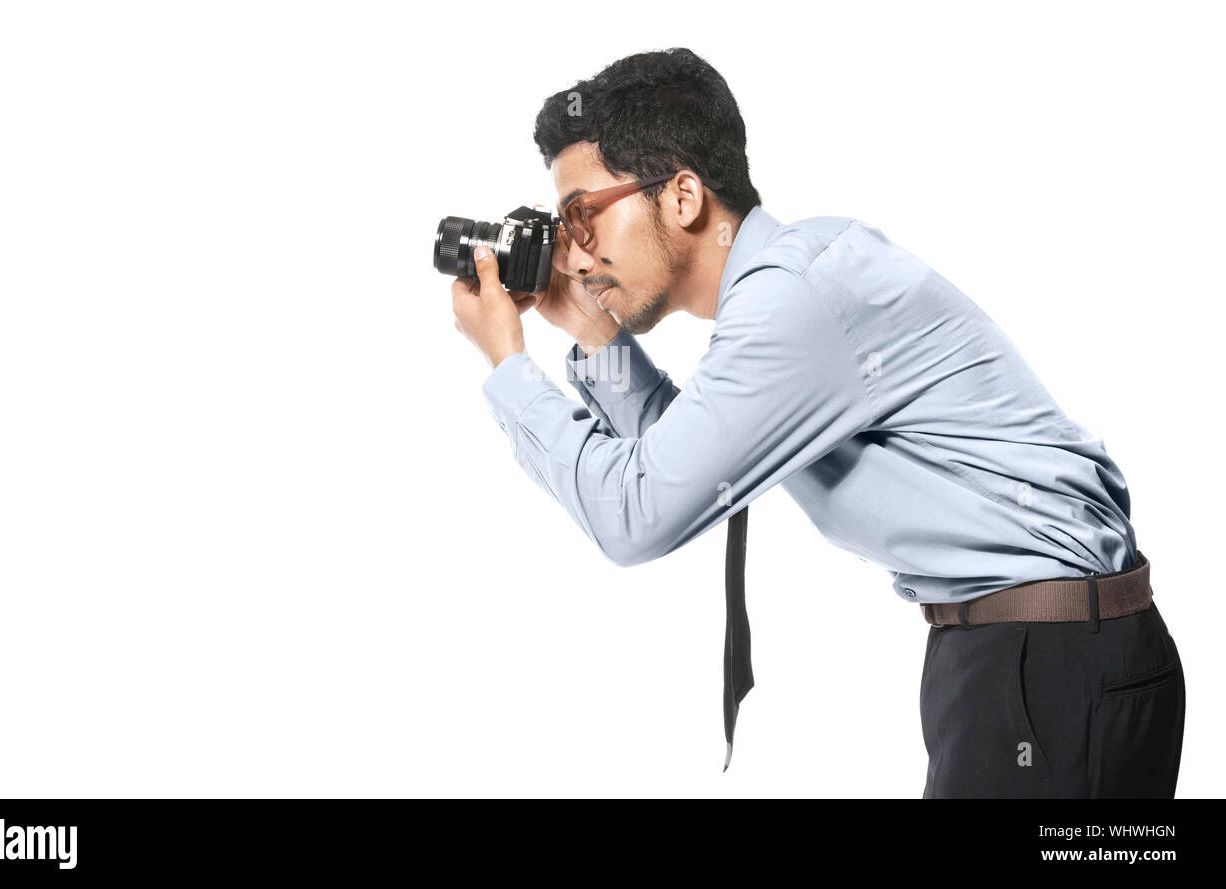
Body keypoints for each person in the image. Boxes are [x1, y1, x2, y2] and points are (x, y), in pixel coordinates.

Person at [449, 47, 1185, 797]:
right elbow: (687, 462)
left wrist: (509, 367)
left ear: (682, 196)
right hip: (1027, 654)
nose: (573, 249)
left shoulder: (794, 300)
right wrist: (591, 332)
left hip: (1051, 657)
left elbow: (638, 513)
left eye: (581, 215)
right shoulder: (785, 289)